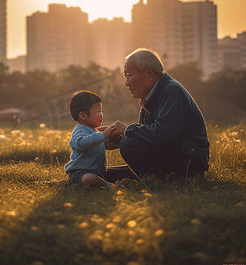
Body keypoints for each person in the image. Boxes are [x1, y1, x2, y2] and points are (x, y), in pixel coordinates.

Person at [103, 48, 210, 181]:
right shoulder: (149, 97)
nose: (126, 83)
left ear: (148, 73)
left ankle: (169, 181)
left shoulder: (172, 91)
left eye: (129, 75)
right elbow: (148, 138)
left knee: (128, 145)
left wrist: (126, 130)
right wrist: (116, 140)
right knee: (104, 173)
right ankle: (87, 177)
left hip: (189, 162)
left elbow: (164, 134)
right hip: (170, 155)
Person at [64, 90, 124, 189]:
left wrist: (116, 142)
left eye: (101, 111)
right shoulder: (80, 129)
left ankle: (117, 182)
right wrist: (103, 135)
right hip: (80, 173)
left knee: (109, 174)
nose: (101, 115)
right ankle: (109, 186)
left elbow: (100, 145)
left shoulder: (95, 132)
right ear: (83, 115)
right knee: (89, 178)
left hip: (98, 171)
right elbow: (82, 143)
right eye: (98, 111)